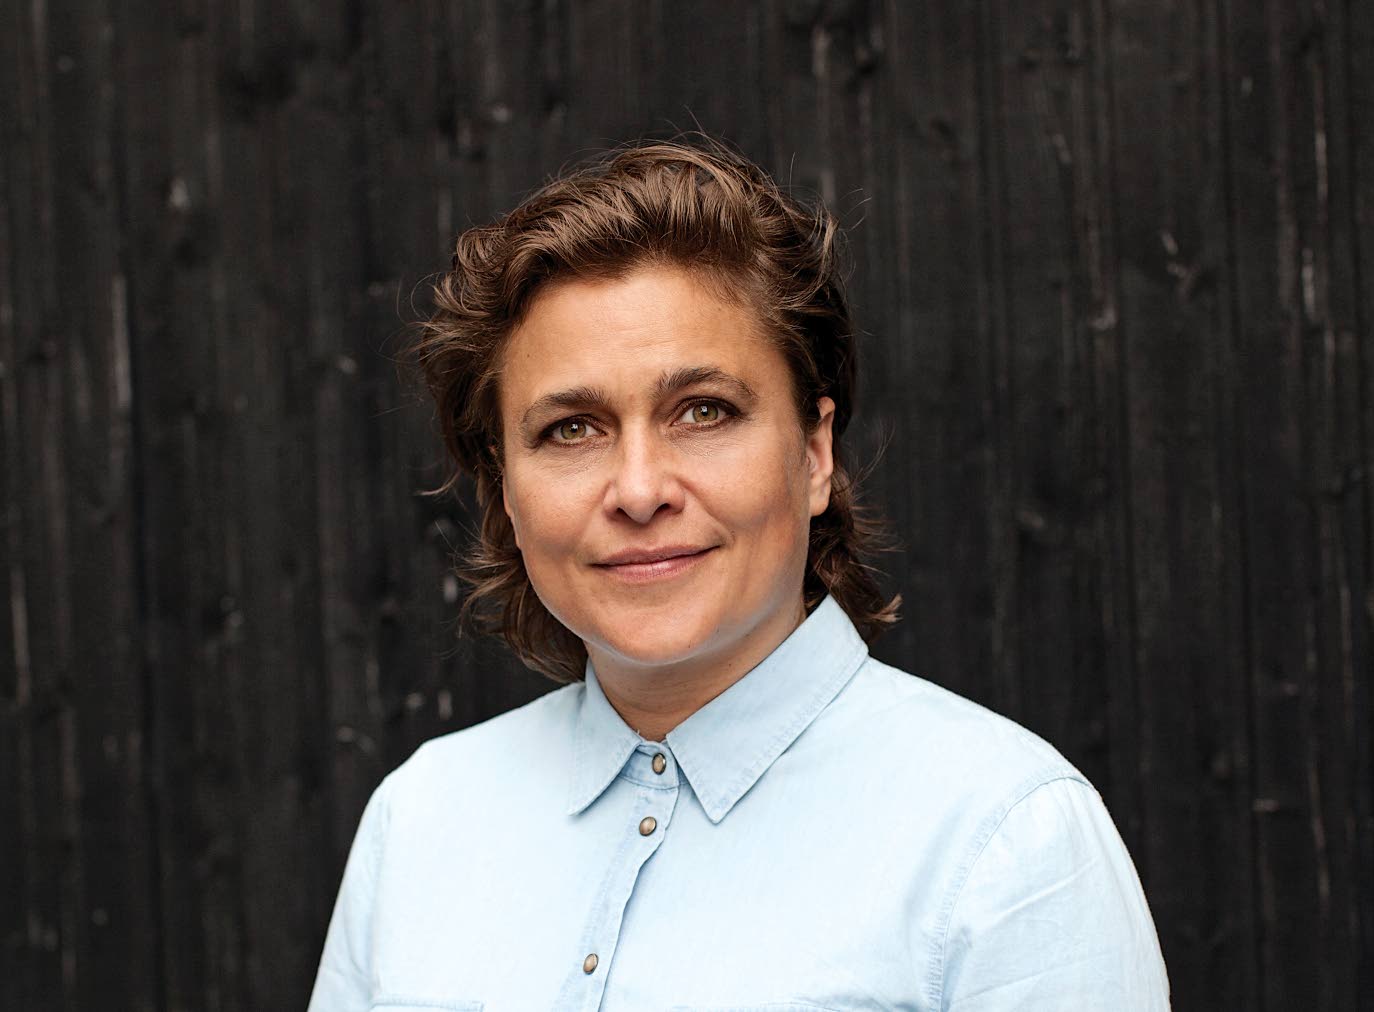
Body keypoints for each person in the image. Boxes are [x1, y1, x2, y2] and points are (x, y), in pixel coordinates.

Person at [307, 137, 1171, 1011]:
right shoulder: (419, 822)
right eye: (571, 428)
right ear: (504, 487)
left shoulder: (1004, 841)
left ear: (814, 453)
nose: (638, 490)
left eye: (704, 412)